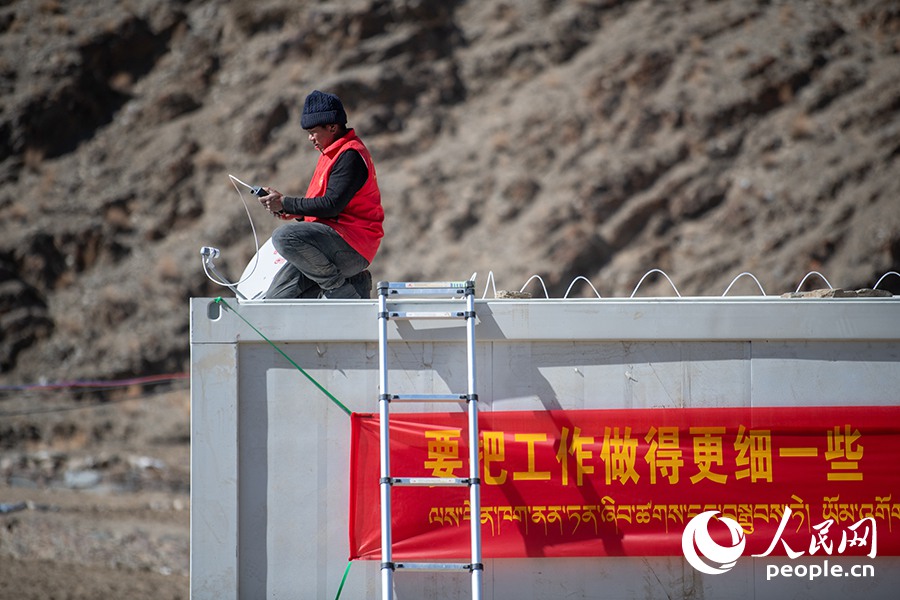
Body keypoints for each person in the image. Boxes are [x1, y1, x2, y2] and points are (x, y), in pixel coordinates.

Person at [257, 90, 384, 299]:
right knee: (275, 301)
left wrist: (285, 203)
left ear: (332, 127)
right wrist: (290, 211)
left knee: (284, 237)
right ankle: (354, 282)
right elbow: (323, 209)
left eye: (313, 131)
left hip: (352, 245)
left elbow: (331, 205)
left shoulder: (350, 155)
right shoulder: (331, 154)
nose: (310, 138)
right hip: (330, 246)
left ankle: (340, 290)